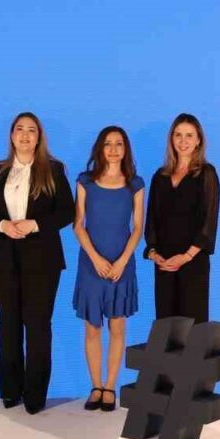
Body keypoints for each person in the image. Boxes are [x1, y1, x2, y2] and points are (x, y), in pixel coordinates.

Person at [0, 112, 75, 414]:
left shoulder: (53, 169)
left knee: (38, 324)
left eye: (31, 130)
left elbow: (67, 211)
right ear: (11, 135)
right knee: (8, 323)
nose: (25, 135)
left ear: (39, 136)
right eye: (19, 129)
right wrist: (3, 225)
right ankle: (10, 390)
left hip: (43, 258)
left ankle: (35, 395)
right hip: (4, 257)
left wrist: (35, 224)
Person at [71, 126, 144, 412]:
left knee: (117, 325)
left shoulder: (135, 184)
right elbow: (78, 224)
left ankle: (111, 386)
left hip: (121, 263)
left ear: (126, 149)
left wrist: (123, 260)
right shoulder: (85, 181)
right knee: (92, 327)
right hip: (92, 262)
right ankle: (95, 386)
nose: (113, 149)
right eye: (108, 144)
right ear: (100, 148)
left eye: (119, 144)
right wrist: (95, 258)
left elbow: (137, 227)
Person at [143, 113, 220, 323]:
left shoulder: (207, 174)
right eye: (178, 135)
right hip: (164, 263)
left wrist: (185, 257)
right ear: (171, 139)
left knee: (193, 328)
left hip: (193, 262)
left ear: (198, 140)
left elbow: (209, 222)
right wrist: (153, 253)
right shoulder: (160, 176)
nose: (183, 141)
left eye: (189, 135)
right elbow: (152, 220)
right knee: (165, 327)